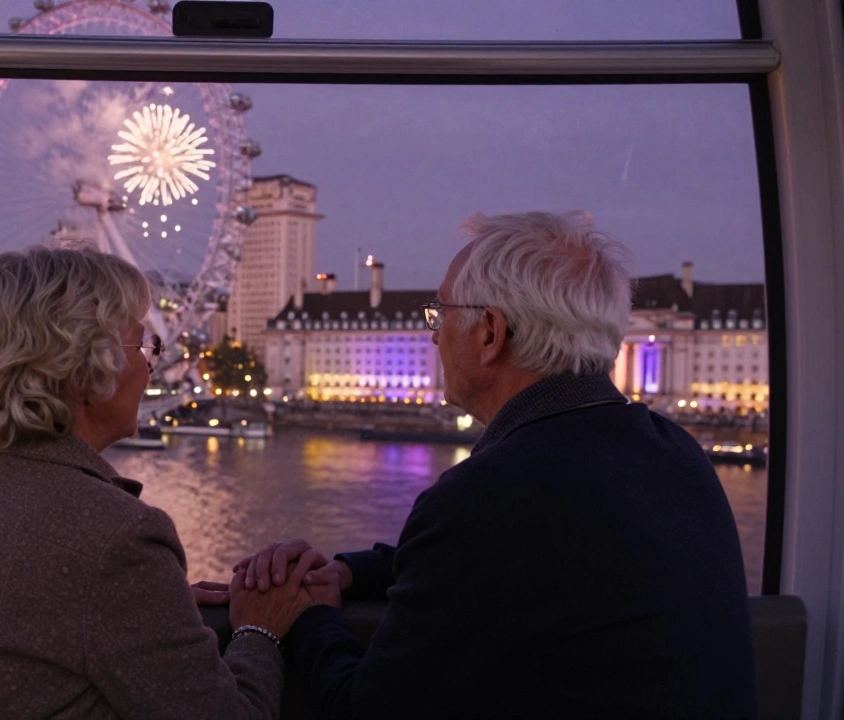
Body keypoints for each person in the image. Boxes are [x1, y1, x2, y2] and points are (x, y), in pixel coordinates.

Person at [236, 211, 757, 718]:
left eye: (440, 315)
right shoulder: (674, 452)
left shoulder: (485, 496)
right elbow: (525, 557)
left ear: (490, 333)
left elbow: (364, 709)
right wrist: (350, 572)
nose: (433, 336)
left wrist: (308, 616)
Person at [0, 245, 312, 719]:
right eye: (143, 345)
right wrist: (261, 630)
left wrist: (156, 609)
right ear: (86, 367)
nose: (150, 365)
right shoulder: (114, 539)